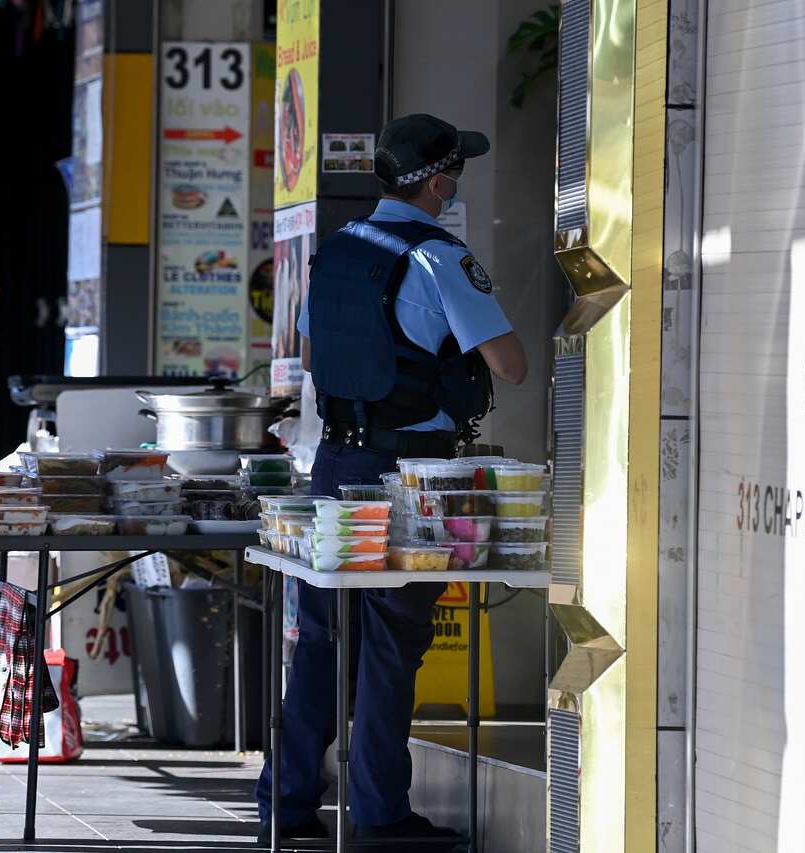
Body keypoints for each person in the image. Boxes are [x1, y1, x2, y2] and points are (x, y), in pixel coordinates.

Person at [255, 113, 527, 847]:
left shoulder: (340, 250)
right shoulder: (439, 257)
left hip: (334, 462)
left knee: (317, 636)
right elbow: (510, 363)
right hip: (408, 472)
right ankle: (378, 811)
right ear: (438, 181)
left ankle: (284, 800)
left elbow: (313, 357)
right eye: (455, 172)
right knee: (390, 640)